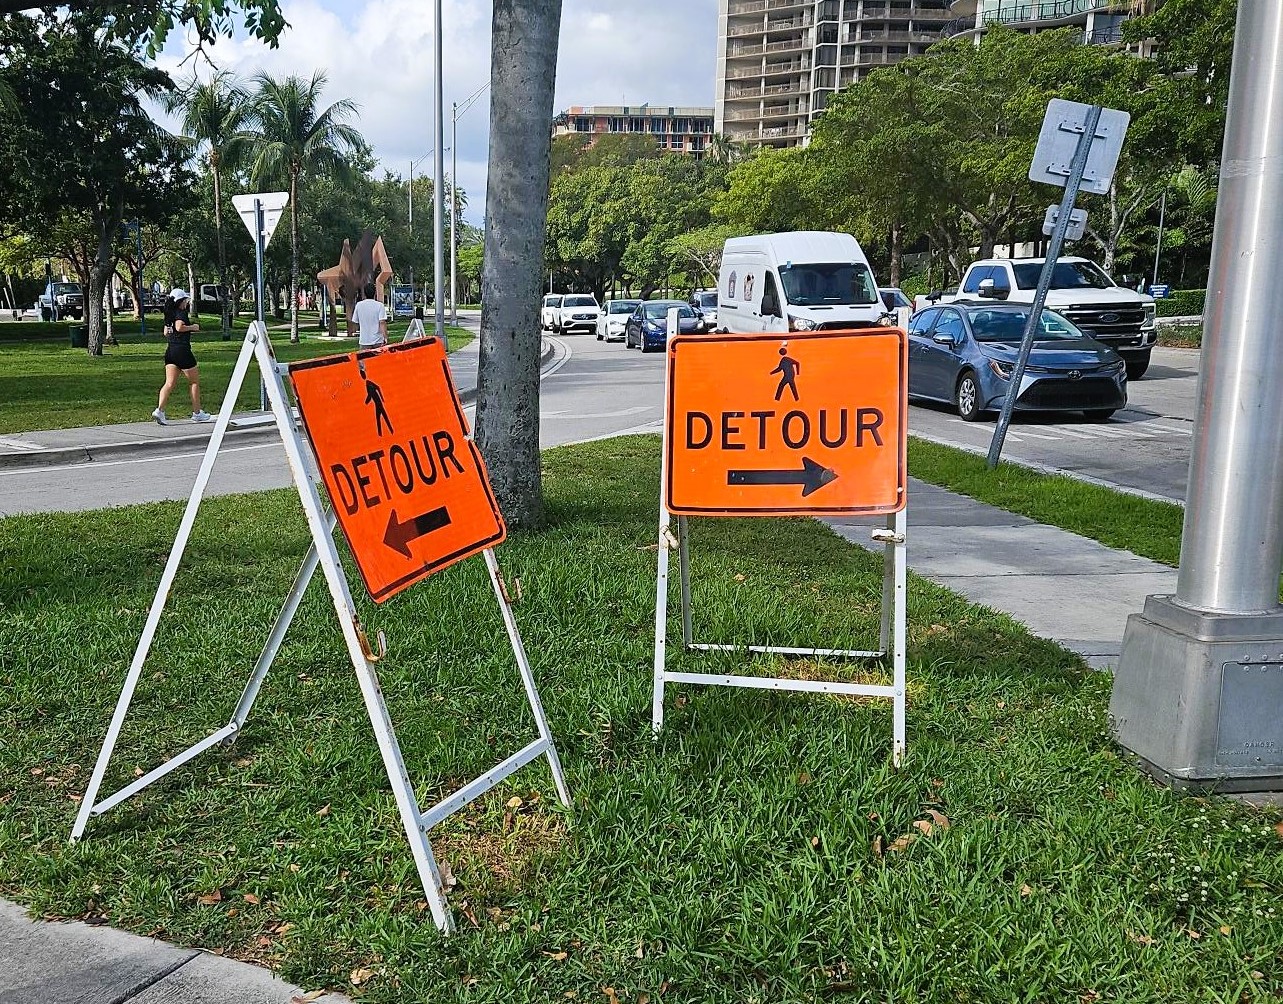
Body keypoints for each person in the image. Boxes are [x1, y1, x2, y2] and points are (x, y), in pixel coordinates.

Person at [152, 289, 211, 425]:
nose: (186, 303)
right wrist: (193, 327)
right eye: (185, 300)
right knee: (194, 382)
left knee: (169, 383)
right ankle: (197, 413)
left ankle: (160, 410)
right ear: (181, 301)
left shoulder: (169, 315)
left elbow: (166, 332)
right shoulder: (181, 313)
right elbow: (179, 327)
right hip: (182, 351)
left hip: (170, 351)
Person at [352, 282, 388, 348]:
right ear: (375, 293)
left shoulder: (359, 305)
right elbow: (382, 322)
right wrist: (385, 337)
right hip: (378, 340)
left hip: (364, 340)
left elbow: (355, 321)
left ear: (364, 293)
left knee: (364, 358)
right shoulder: (380, 305)